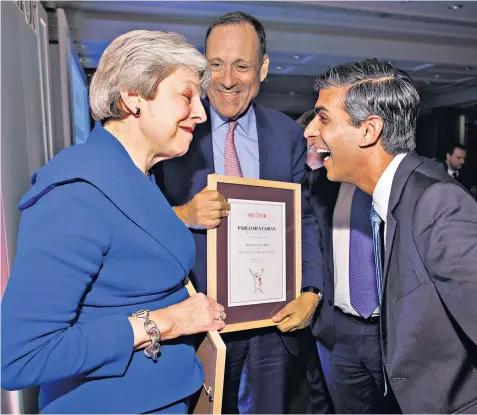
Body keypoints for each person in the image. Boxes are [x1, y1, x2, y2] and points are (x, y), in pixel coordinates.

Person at [1, 30, 227, 414]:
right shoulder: (76, 194)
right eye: (187, 95)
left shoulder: (135, 176)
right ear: (133, 97)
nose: (202, 113)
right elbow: (19, 356)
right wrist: (166, 322)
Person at [154, 11, 327, 414]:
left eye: (241, 65)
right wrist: (181, 215)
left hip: (271, 323)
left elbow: (303, 220)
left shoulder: (287, 136)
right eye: (215, 64)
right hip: (195, 321)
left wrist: (311, 292)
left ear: (263, 69)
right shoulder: (175, 129)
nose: (227, 79)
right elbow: (133, 217)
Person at [305, 58, 477, 414]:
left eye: (323, 118)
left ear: (369, 131)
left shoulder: (435, 201)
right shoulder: (402, 193)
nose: (309, 130)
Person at [303, 121, 398, 412]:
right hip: (337, 333)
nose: (312, 133)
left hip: (392, 333)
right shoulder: (321, 186)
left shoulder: (400, 188)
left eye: (325, 122)